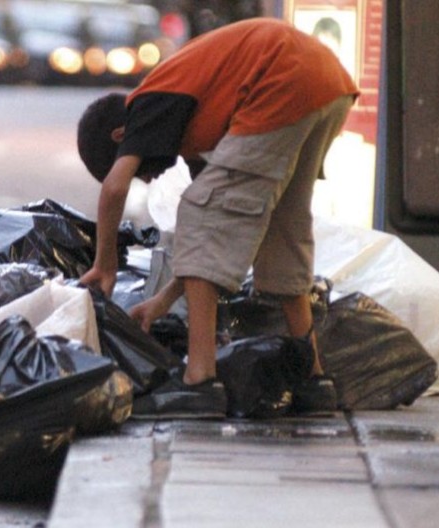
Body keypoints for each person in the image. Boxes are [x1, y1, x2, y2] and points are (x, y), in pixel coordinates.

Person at [76, 17, 358, 418]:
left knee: (196, 212)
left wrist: (104, 264)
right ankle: (314, 380)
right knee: (282, 229)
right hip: (327, 82)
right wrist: (161, 301)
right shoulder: (193, 129)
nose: (147, 177)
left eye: (135, 167)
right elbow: (216, 239)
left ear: (121, 138)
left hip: (282, 79)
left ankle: (199, 380)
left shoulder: (148, 101)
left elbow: (114, 190)